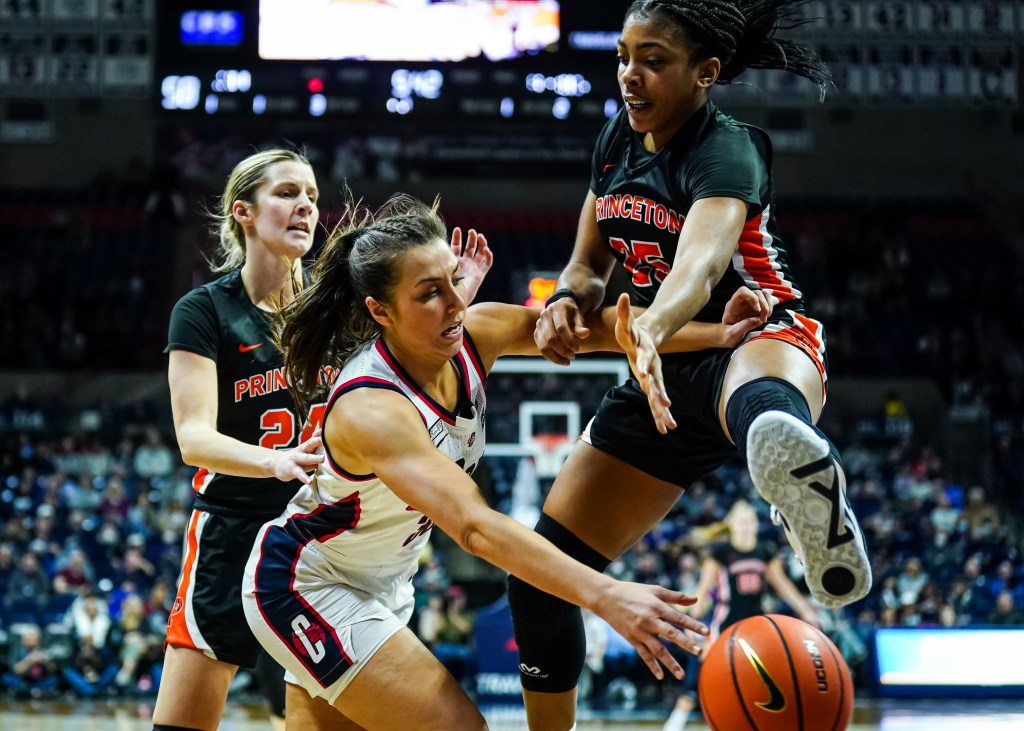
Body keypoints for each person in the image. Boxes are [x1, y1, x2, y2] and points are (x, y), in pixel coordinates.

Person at [240, 193, 771, 730]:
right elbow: (473, 528)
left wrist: (716, 335)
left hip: (382, 584)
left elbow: (592, 330)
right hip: (307, 586)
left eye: (453, 279)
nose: (455, 302)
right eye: (430, 293)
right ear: (381, 311)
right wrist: (605, 593)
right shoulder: (372, 409)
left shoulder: (477, 331)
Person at [517, 1, 872, 728]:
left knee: (763, 403)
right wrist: (563, 301)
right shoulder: (617, 139)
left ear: (706, 73)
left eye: (653, 59)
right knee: (542, 572)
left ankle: (800, 479)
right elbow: (588, 264)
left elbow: (702, 264)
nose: (628, 74)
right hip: (664, 366)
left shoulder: (728, 148)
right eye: (622, 56)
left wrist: (649, 323)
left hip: (753, 331)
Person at [154, 149, 494, 731]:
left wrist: (454, 298)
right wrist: (274, 460)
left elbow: (410, 350)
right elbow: (193, 438)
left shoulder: (340, 304)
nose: (305, 206)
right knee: (185, 720)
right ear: (244, 212)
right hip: (233, 528)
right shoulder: (205, 310)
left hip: (324, 546)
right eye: (287, 193)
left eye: (311, 195)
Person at [663, 500, 819, 731]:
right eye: (741, 521)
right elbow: (703, 592)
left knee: (760, 678)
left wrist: (806, 610)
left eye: (750, 521)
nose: (746, 525)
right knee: (699, 674)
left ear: (756, 524)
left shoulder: (765, 551)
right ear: (732, 525)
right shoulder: (720, 552)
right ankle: (676, 722)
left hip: (756, 625)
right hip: (725, 622)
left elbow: (782, 584)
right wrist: (692, 623)